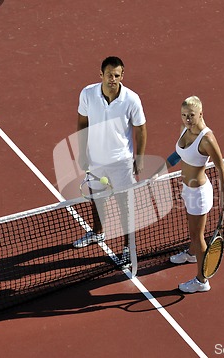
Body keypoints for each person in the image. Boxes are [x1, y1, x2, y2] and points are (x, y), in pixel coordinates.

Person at [73, 56, 147, 266]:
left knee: (125, 206)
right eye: (109, 75)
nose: (112, 79)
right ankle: (97, 232)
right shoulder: (88, 94)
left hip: (121, 163)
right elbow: (82, 123)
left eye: (116, 75)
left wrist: (139, 158)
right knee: (96, 200)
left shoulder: (131, 99)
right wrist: (82, 153)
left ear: (122, 76)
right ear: (101, 75)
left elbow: (141, 128)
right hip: (95, 161)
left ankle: (127, 247)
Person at [168, 96, 224, 293]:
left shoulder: (207, 139)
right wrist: (159, 169)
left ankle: (202, 281)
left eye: (191, 115)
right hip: (187, 189)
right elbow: (178, 154)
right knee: (192, 231)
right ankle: (192, 253)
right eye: (184, 115)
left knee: (197, 235)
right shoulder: (184, 129)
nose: (187, 119)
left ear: (201, 113)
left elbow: (222, 168)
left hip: (199, 193)